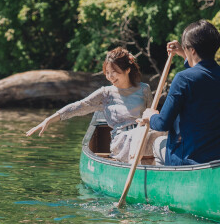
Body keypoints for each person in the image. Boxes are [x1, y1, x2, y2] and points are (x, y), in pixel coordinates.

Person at [26, 47, 155, 163]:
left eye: (114, 72)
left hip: (143, 135)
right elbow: (79, 106)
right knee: (139, 133)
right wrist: (49, 119)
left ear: (127, 69)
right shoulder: (105, 94)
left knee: (162, 134)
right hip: (121, 141)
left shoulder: (144, 89)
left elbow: (151, 117)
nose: (110, 77)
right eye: (107, 72)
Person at [140, 20, 220, 166]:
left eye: (187, 49)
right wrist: (183, 53)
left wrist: (151, 116)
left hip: (191, 158)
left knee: (158, 144)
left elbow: (162, 124)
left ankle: (169, 181)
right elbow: (205, 71)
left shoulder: (183, 78)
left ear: (192, 50)